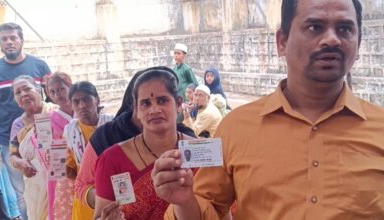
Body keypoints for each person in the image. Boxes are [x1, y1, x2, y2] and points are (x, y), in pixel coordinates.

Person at [152, 0, 384, 219]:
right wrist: (184, 202)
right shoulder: (236, 128)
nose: (332, 40)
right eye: (315, 27)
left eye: (345, 29)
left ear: (359, 43)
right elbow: (209, 209)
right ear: (281, 42)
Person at [74, 67, 195, 211]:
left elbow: (219, 207)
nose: (155, 110)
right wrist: (113, 205)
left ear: (179, 104)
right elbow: (85, 189)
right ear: (135, 108)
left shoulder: (198, 150)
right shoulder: (110, 155)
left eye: (162, 100)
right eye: (146, 103)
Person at [0, 22, 51, 220]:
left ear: (21, 41)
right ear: (0, 42)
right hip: (8, 140)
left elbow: (54, 98)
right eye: (4, 39)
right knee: (22, 194)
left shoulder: (39, 66)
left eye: (13, 38)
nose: (9, 42)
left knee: (54, 184)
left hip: (48, 137)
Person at [64, 81, 114, 220]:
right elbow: (72, 171)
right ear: (71, 105)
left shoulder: (113, 125)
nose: (82, 105)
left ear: (97, 100)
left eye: (86, 99)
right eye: (76, 101)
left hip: (113, 193)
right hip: (86, 197)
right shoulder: (70, 131)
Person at [9, 75, 56, 220]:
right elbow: (13, 155)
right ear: (16, 101)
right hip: (35, 184)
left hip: (62, 178)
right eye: (18, 93)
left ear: (38, 90)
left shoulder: (55, 112)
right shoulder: (18, 125)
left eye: (27, 89)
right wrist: (20, 162)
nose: (23, 94)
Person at [46, 72, 74, 220]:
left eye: (61, 89)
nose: (57, 94)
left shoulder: (83, 110)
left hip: (85, 163)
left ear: (70, 86)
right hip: (61, 168)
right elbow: (43, 145)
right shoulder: (49, 118)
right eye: (52, 92)